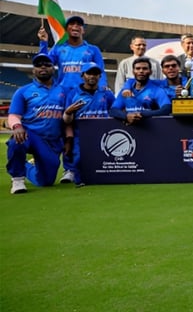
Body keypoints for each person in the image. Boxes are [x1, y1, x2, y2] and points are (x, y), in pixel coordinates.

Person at [6, 53, 72, 194]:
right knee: (17, 141)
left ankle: (27, 166)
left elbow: (67, 119)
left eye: (47, 65)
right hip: (31, 135)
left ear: (53, 68)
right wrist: (17, 126)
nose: (43, 67)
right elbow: (13, 115)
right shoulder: (23, 91)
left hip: (52, 141)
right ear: (33, 70)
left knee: (46, 181)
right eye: (38, 65)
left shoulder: (64, 91)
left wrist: (68, 139)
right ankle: (17, 179)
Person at [62, 62, 115, 186]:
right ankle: (79, 178)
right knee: (79, 160)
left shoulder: (106, 93)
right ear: (82, 75)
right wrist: (68, 113)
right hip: (81, 136)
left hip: (103, 135)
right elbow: (67, 121)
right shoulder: (73, 94)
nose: (92, 76)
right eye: (89, 73)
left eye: (96, 73)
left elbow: (116, 110)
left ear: (100, 76)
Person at [37, 15, 108, 90]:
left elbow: (101, 71)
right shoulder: (58, 48)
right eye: (72, 24)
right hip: (63, 93)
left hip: (85, 93)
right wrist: (43, 42)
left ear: (83, 30)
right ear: (66, 29)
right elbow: (43, 63)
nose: (75, 26)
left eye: (79, 24)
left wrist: (102, 86)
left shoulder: (93, 49)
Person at [109, 57, 172, 124]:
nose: (141, 71)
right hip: (128, 131)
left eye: (144, 68)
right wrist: (126, 116)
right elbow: (113, 110)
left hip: (150, 130)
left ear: (150, 72)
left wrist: (142, 114)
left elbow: (166, 109)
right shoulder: (126, 91)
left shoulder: (156, 90)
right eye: (138, 68)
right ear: (133, 71)